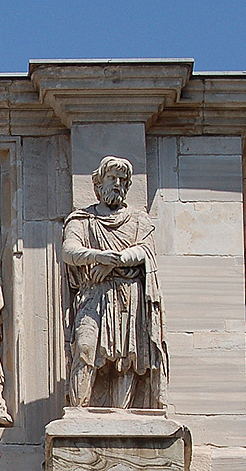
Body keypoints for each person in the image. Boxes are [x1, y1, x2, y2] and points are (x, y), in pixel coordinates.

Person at [61, 156, 168, 410]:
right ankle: (79, 411)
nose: (118, 184)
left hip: (128, 294)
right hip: (92, 295)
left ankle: (123, 416)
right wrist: (98, 256)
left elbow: (145, 251)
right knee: (85, 348)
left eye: (123, 180)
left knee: (127, 357)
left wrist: (114, 262)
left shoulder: (139, 220)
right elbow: (69, 250)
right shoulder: (82, 220)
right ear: (99, 183)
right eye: (112, 178)